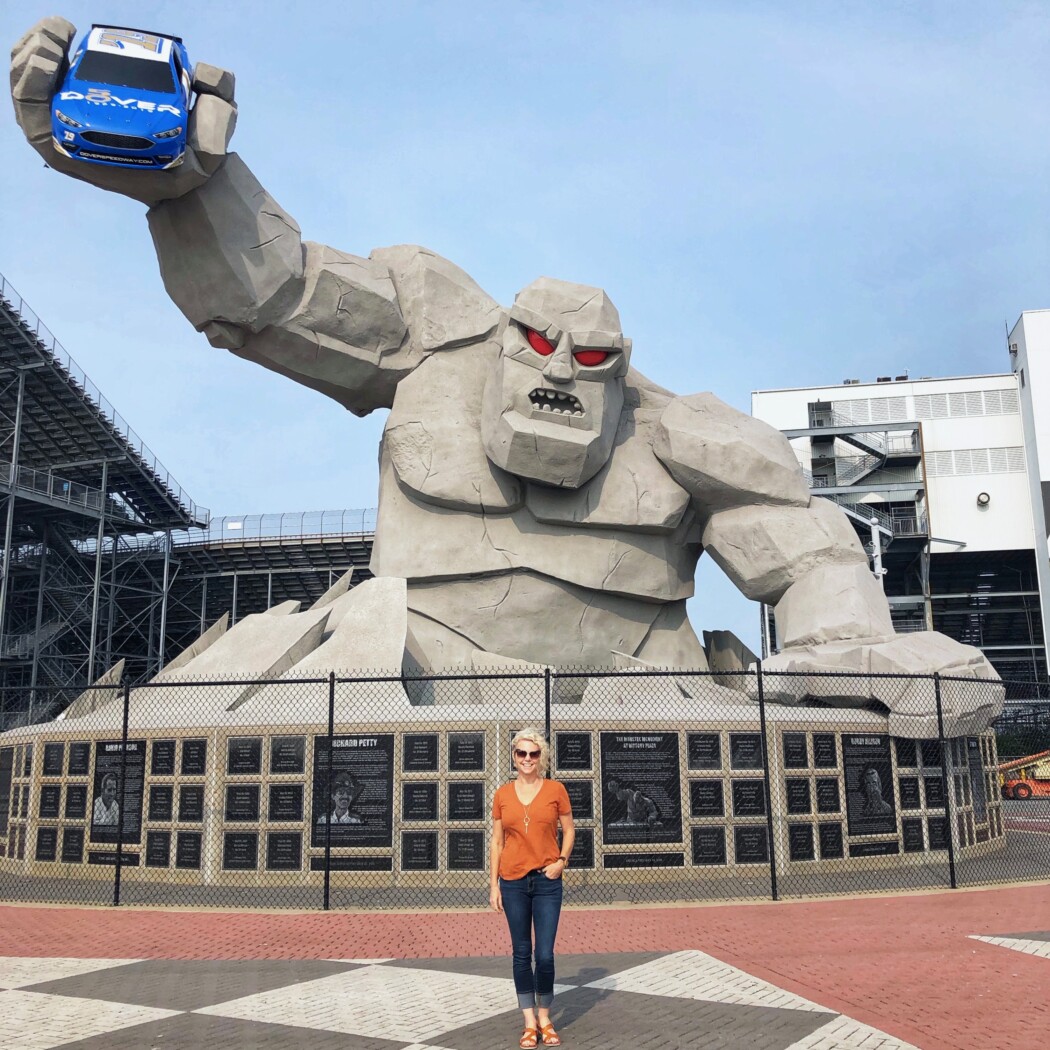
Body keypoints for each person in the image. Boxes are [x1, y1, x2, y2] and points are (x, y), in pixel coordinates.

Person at [490, 729, 574, 1049]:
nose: (527, 759)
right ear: (513, 756)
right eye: (522, 753)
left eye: (534, 754)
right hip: (512, 882)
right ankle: (529, 1023)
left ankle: (545, 1017)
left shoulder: (556, 790)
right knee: (522, 953)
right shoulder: (502, 795)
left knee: (545, 954)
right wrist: (493, 885)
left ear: (542, 757)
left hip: (547, 882)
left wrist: (561, 861)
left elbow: (569, 830)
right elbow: (497, 841)